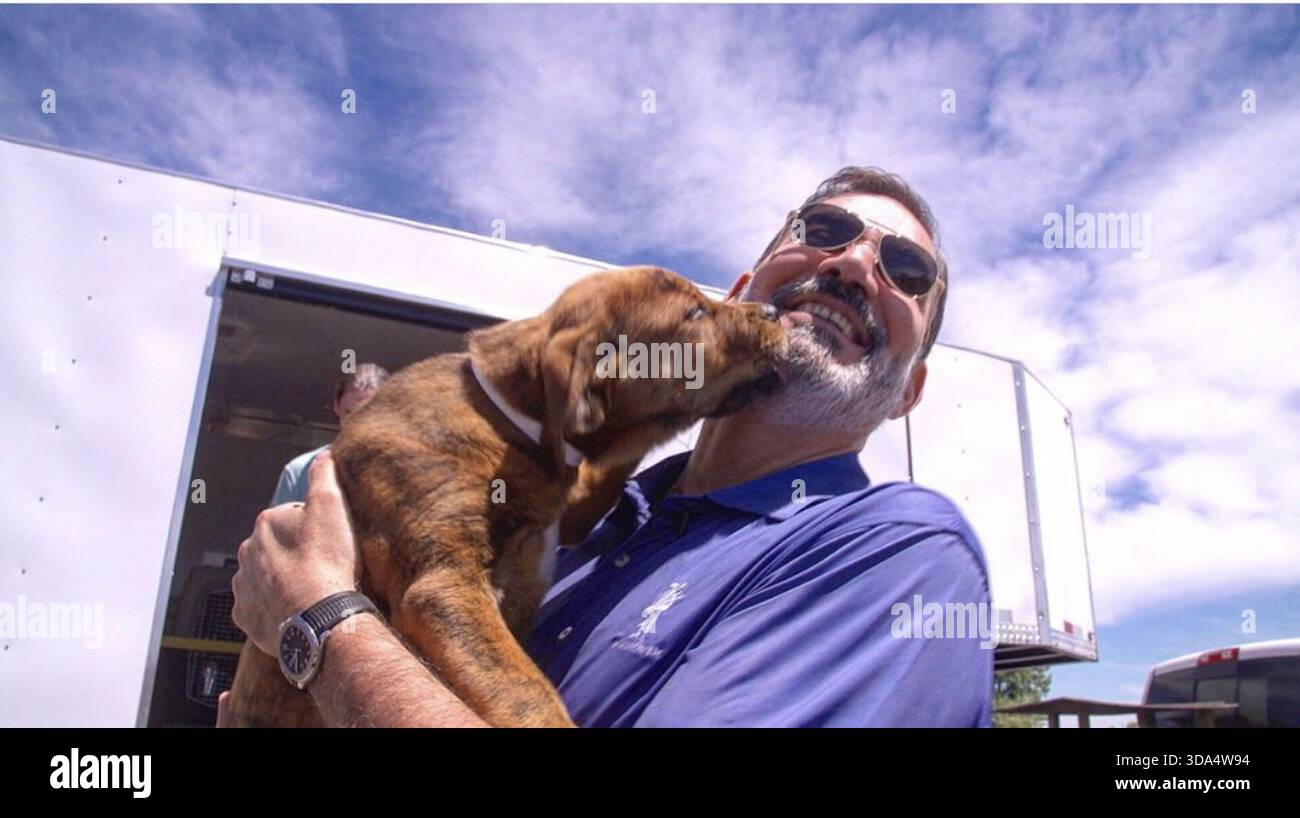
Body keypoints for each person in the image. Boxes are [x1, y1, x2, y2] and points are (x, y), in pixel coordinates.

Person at [226, 166, 994, 727]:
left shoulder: (899, 553)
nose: (854, 261)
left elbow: (348, 624)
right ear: (737, 294)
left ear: (909, 394)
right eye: (823, 230)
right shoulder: (600, 518)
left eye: (906, 271)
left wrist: (318, 623)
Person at [268, 363, 389, 506]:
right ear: (336, 406)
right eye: (348, 413)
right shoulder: (300, 471)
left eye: (367, 415)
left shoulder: (404, 473)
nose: (356, 425)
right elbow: (276, 526)